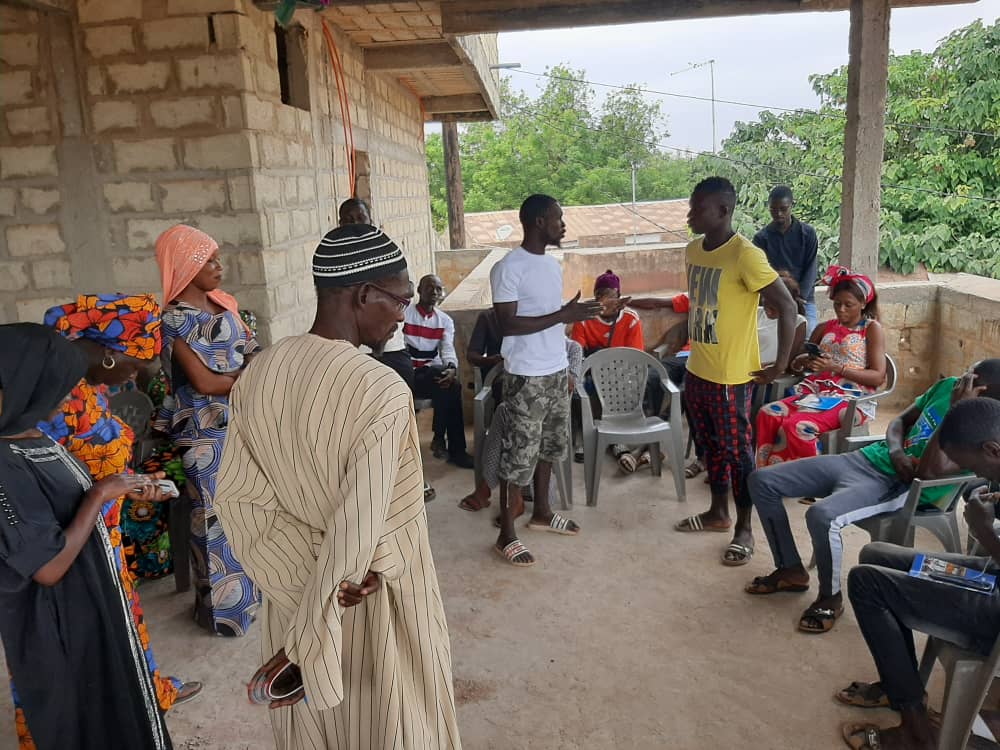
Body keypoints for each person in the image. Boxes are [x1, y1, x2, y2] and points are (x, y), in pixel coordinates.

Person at [213, 223, 461, 750]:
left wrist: (305, 591)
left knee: (315, 732)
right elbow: (377, 522)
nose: (403, 315)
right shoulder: (380, 388)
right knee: (391, 719)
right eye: (400, 300)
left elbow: (239, 501)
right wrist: (335, 588)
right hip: (366, 599)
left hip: (293, 595)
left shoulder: (260, 372)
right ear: (364, 294)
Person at [31, 294, 202, 743]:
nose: (136, 377)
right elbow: (46, 482)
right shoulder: (53, 400)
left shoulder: (92, 388)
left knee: (121, 623)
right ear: (110, 354)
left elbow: (92, 467)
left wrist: (131, 484)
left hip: (103, 533)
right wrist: (107, 491)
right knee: (75, 641)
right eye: (135, 366)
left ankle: (144, 693)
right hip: (69, 544)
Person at [0, 323, 174, 750]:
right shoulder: (4, 465)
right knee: (80, 720)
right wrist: (100, 494)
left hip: (92, 599)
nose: (68, 395)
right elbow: (47, 568)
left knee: (116, 708)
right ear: (29, 385)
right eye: (59, 385)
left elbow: (67, 503)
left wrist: (124, 486)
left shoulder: (34, 436)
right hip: (56, 621)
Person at [746, 360, 1000, 634]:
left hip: (899, 484)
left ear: (981, 391)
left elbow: (928, 471)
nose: (960, 380)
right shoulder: (947, 387)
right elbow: (899, 421)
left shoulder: (981, 433)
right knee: (762, 481)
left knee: (822, 515)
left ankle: (830, 598)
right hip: (868, 459)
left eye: (969, 379)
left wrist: (955, 409)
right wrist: (896, 452)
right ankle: (790, 569)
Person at [838, 396, 1000, 750]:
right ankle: (900, 684)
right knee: (876, 555)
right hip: (991, 578)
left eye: (974, 466)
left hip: (995, 607)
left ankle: (916, 731)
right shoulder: (995, 463)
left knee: (866, 583)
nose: (975, 475)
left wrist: (984, 532)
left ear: (992, 450)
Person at [672, 177, 798, 568]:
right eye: (691, 207)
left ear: (724, 211)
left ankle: (744, 528)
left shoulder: (745, 255)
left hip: (731, 377)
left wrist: (780, 365)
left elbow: (788, 307)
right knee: (709, 449)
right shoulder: (693, 250)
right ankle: (717, 512)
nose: (690, 215)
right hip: (697, 369)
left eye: (698, 208)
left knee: (738, 455)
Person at [153, 224, 260, 637]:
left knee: (247, 511)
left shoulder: (224, 305)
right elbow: (205, 383)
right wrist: (247, 377)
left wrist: (247, 373)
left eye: (217, 258)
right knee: (213, 518)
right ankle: (219, 614)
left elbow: (253, 352)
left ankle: (249, 598)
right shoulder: (174, 320)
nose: (219, 266)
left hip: (243, 423)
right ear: (185, 265)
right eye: (208, 260)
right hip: (203, 431)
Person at [489, 194, 602, 566]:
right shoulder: (508, 267)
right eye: (558, 218)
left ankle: (542, 512)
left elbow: (550, 318)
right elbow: (507, 323)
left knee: (550, 449)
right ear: (539, 222)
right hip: (526, 376)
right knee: (516, 458)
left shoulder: (552, 265)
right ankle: (506, 534)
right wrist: (563, 315)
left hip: (555, 371)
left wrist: (571, 317)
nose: (563, 225)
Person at [755, 265, 886, 468]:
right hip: (816, 394)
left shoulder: (871, 329)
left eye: (848, 305)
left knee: (798, 426)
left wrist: (837, 368)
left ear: (863, 303)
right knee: (767, 413)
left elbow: (878, 376)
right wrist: (804, 361)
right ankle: (768, 472)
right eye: (837, 304)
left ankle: (808, 478)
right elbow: (797, 365)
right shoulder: (825, 327)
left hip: (851, 400)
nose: (841, 309)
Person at [459, 338, 583, 512]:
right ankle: (513, 497)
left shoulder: (572, 349)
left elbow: (569, 385)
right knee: (508, 414)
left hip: (552, 418)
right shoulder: (524, 343)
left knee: (507, 416)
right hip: (520, 410)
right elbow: (512, 380)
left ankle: (490, 490)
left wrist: (549, 366)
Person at [404, 273, 474, 468]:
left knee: (451, 384)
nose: (434, 292)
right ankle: (445, 443)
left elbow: (447, 349)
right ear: (419, 290)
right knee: (444, 381)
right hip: (408, 375)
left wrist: (452, 368)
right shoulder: (405, 315)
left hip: (430, 375)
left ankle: (449, 447)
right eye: (429, 287)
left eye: (438, 289)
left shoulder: (445, 321)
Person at [752, 185, 819, 334]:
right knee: (767, 335)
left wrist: (799, 297)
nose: (778, 214)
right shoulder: (761, 239)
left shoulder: (807, 234)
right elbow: (760, 273)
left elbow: (811, 270)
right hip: (773, 300)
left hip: (803, 299)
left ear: (792, 206)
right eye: (773, 209)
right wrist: (779, 297)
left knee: (809, 333)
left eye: (783, 209)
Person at [570, 269, 642, 354]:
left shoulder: (631, 319)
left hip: (624, 362)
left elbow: (636, 355)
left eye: (610, 296)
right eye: (600, 295)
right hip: (593, 361)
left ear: (618, 297)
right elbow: (576, 352)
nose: (604, 301)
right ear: (595, 297)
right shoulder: (583, 318)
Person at [467, 308, 503, 384]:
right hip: (497, 373)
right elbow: (471, 355)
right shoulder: (488, 316)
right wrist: (490, 360)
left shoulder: (528, 316)